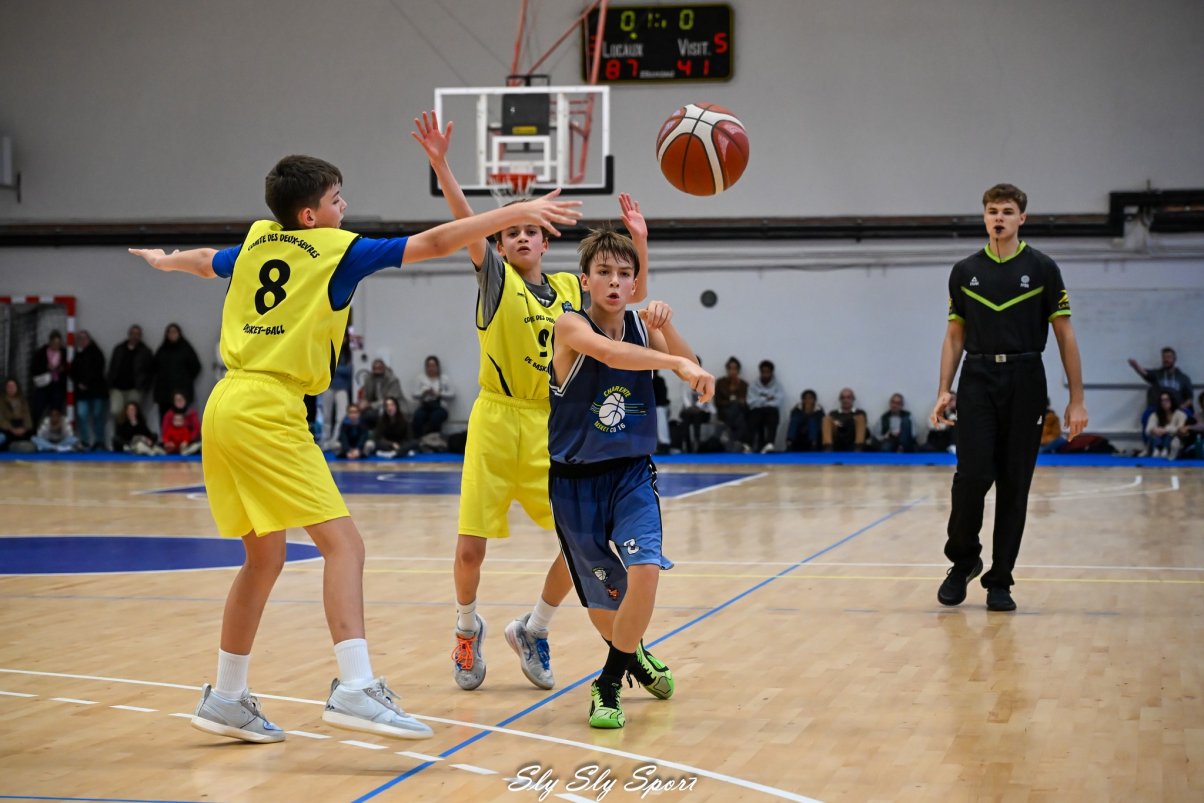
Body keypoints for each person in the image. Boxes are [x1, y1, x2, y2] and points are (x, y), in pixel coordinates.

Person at [129, 153, 581, 742]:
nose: (345, 207)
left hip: (224, 405)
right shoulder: (337, 251)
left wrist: (165, 260)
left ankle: (227, 698)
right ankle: (355, 686)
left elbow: (204, 262)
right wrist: (517, 212)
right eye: (337, 199)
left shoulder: (259, 243)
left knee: (263, 559)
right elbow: (437, 241)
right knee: (345, 547)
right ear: (310, 215)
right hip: (269, 407)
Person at [412, 111, 649, 693]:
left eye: (529, 231)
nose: (520, 238)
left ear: (547, 240)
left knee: (580, 542)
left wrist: (639, 240)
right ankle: (466, 628)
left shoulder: (571, 289)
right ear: (499, 243)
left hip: (553, 424)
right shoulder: (498, 281)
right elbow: (465, 224)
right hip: (496, 419)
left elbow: (627, 295)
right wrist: (442, 165)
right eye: (510, 232)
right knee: (471, 549)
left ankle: (534, 627)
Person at [547, 227, 713, 728]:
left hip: (632, 474)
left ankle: (607, 682)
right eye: (604, 272)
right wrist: (674, 361)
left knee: (645, 571)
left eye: (624, 274)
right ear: (585, 280)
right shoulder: (569, 325)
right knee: (608, 600)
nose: (615, 282)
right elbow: (613, 355)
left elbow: (691, 366)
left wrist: (669, 329)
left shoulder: (643, 326)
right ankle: (632, 655)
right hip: (575, 483)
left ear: (635, 282)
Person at [931, 183, 1087, 613]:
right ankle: (963, 561)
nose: (998, 218)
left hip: (1026, 378)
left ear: (1022, 218)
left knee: (1015, 484)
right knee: (971, 477)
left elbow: (1065, 335)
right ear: (984, 217)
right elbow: (954, 335)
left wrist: (1076, 399)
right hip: (978, 378)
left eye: (1006, 211)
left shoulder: (1043, 269)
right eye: (992, 211)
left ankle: (1000, 580)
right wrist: (944, 389)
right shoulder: (964, 271)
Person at [152, 323, 202, 420]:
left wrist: (186, 379)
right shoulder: (162, 350)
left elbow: (196, 367)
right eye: (170, 332)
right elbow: (154, 368)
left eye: (174, 332)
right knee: (165, 420)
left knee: (182, 421)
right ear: (166, 334)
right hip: (164, 394)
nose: (172, 334)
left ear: (179, 333)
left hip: (182, 392)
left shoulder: (186, 349)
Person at [70, 330, 109, 451]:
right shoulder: (77, 355)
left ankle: (99, 441)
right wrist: (78, 383)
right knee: (82, 415)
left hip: (97, 390)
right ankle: (85, 441)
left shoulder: (97, 353)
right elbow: (72, 371)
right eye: (79, 339)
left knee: (98, 416)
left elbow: (98, 370)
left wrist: (86, 382)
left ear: (89, 339)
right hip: (82, 392)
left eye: (84, 338)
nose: (82, 341)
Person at [107, 324, 154, 421]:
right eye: (133, 333)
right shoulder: (119, 349)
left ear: (140, 336)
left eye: (137, 334)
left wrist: (145, 386)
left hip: (135, 389)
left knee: (132, 413)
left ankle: (130, 430)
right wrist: (109, 383)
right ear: (129, 334)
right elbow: (112, 367)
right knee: (115, 410)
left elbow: (151, 371)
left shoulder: (145, 351)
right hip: (117, 388)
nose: (134, 336)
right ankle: (120, 430)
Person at [29, 330, 69, 428]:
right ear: (50, 342)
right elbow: (33, 369)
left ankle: (55, 431)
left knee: (56, 411)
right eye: (54, 343)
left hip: (57, 385)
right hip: (44, 385)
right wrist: (46, 367)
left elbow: (69, 367)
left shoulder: (64, 353)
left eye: (59, 343)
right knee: (37, 409)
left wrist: (62, 369)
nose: (57, 345)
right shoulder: (41, 352)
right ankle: (33, 430)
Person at [411, 355, 455, 437]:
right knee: (418, 416)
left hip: (439, 407)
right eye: (429, 366)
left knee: (435, 417)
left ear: (437, 367)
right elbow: (414, 394)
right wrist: (424, 393)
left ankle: (433, 439)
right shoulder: (421, 378)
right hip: (425, 406)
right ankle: (418, 439)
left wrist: (439, 393)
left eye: (433, 366)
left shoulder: (443, 378)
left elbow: (452, 393)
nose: (431, 368)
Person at [678, 356, 715, 453]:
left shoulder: (706, 378)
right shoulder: (684, 380)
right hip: (689, 411)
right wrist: (690, 407)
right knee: (686, 416)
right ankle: (686, 443)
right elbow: (684, 397)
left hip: (703, 412)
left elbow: (706, 396)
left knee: (696, 415)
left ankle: (696, 441)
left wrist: (697, 406)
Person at [746, 359, 785, 452]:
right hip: (757, 411)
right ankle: (748, 445)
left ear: (771, 373)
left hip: (770, 411)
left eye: (768, 372)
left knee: (774, 414)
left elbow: (778, 402)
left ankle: (769, 444)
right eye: (763, 372)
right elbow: (750, 402)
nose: (765, 374)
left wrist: (760, 401)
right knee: (753, 416)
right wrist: (767, 399)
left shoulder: (778, 386)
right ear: (760, 372)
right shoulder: (753, 385)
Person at [714, 356, 750, 451]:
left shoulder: (743, 384)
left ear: (738, 370)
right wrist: (731, 402)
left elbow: (745, 401)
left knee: (739, 412)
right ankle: (739, 443)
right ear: (727, 370)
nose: (732, 371)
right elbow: (717, 402)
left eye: (735, 369)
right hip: (724, 412)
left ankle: (727, 430)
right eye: (730, 369)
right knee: (739, 417)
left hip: (740, 412)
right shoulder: (720, 383)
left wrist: (737, 387)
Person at [360, 357, 403, 428]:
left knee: (374, 415)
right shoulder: (369, 379)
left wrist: (370, 405)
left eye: (379, 367)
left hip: (392, 405)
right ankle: (366, 434)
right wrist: (363, 403)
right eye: (375, 368)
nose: (377, 370)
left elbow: (390, 399)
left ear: (384, 368)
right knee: (359, 414)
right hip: (376, 406)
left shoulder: (393, 380)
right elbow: (366, 396)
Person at [1144, 390, 1186, 459]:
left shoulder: (1181, 414)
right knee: (1154, 435)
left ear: (1172, 401)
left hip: (1173, 442)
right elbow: (1147, 430)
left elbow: (1181, 429)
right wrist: (1154, 430)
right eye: (1162, 400)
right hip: (1157, 439)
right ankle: (1157, 450)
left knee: (1170, 435)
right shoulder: (1155, 414)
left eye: (1167, 400)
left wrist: (1166, 430)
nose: (1164, 402)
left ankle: (1165, 450)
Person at [1, 378, 36, 453]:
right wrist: (12, 429)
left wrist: (24, 428)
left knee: (33, 441)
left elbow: (27, 417)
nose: (11, 388)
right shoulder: (1, 401)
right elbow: (1, 418)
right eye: (9, 387)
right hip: (6, 430)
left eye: (13, 386)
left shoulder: (22, 400)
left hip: (21, 429)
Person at [161, 392, 202, 456]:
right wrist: (168, 443)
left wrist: (186, 442)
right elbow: (165, 435)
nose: (179, 401)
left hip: (187, 445)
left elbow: (195, 431)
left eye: (181, 399)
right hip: (172, 447)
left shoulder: (191, 414)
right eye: (177, 400)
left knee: (197, 446)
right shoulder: (169, 415)